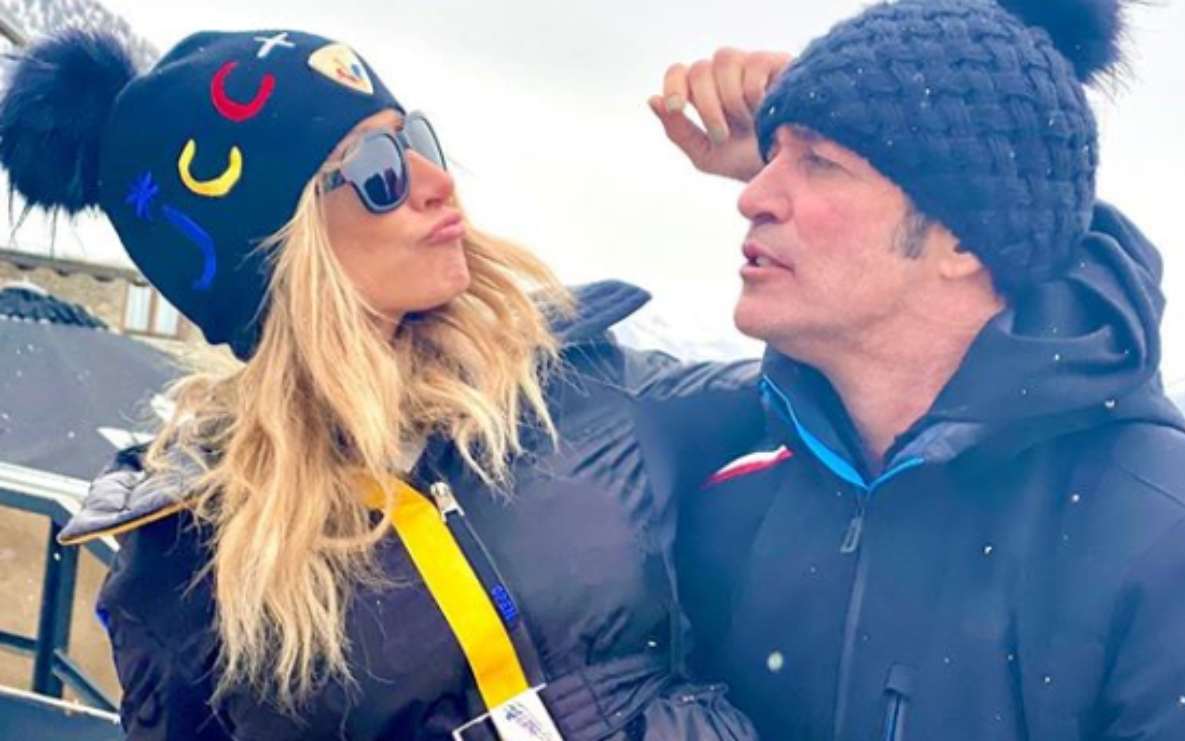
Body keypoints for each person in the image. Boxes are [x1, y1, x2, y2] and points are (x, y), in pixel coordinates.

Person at [0, 29, 766, 740]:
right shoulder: (190, 554)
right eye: (379, 172)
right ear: (280, 253)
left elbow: (828, 400)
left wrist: (783, 166)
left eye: (416, 140)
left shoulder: (581, 383)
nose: (438, 182)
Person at [654, 1, 1185, 739]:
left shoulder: (1181, 539)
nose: (751, 196)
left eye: (820, 163)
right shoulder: (729, 487)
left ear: (964, 241)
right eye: (771, 158)